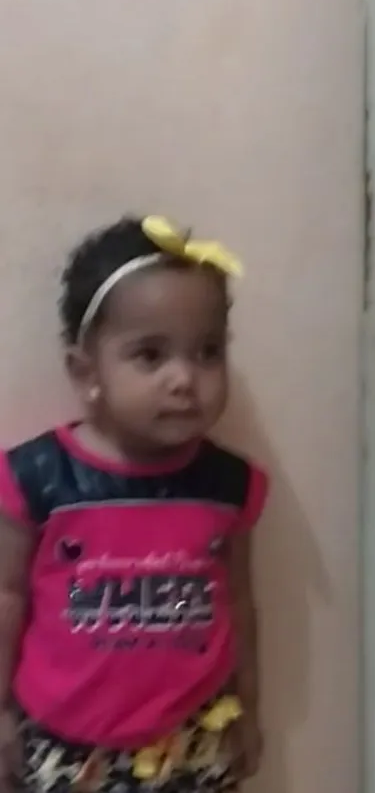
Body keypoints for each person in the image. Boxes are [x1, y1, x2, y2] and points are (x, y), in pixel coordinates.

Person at [0, 215, 269, 793]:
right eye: (151, 356)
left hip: (195, 742)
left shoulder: (227, 484)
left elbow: (242, 606)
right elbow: (7, 598)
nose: (184, 379)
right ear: (86, 371)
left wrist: (249, 708)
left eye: (207, 352)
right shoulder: (38, 478)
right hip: (65, 747)